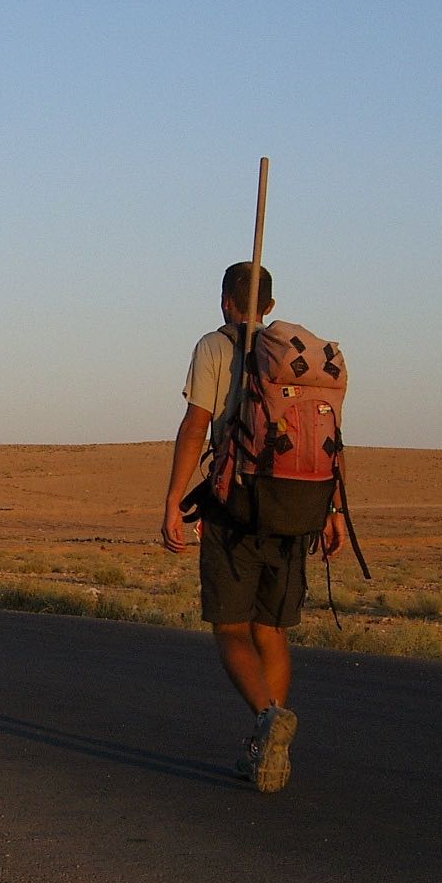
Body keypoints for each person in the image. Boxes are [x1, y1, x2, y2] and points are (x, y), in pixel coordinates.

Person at [160, 262, 345, 793]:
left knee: (231, 629)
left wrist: (174, 500)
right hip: (296, 509)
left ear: (224, 302)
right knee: (272, 630)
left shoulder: (214, 348)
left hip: (235, 508)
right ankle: (269, 745)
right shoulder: (296, 361)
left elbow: (197, 424)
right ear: (268, 305)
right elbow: (331, 441)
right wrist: (330, 511)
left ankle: (268, 719)